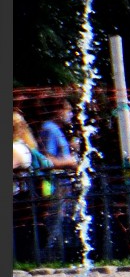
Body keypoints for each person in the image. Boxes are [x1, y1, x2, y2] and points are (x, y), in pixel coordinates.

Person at [38, 98, 79, 261]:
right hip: (55, 185)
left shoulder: (58, 130)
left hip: (64, 185)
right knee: (55, 224)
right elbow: (47, 160)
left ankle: (62, 257)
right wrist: (70, 162)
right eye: (68, 110)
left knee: (64, 223)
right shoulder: (49, 129)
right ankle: (51, 258)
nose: (70, 115)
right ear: (57, 110)